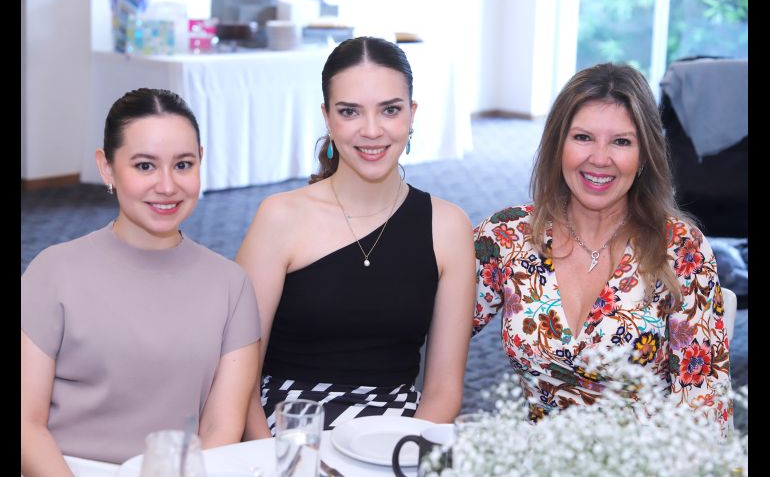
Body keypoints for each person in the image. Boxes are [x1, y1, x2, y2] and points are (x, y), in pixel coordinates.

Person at [472, 63, 731, 433]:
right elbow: (419, 322)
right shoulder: (507, 236)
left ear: (644, 156)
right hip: (536, 459)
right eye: (583, 137)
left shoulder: (681, 248)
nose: (599, 157)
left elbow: (704, 406)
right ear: (558, 144)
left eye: (621, 141)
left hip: (644, 465)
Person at [237, 36, 475, 437]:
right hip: (288, 430)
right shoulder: (280, 217)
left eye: (390, 110)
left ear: (411, 114)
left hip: (395, 434)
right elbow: (238, 378)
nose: (371, 130)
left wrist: (401, 454)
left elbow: (443, 392)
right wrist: (276, 462)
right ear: (327, 118)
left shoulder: (448, 227)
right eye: (350, 112)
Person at [21, 88, 262, 473]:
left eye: (183, 165)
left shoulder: (231, 285)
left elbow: (220, 428)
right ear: (107, 168)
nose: (167, 186)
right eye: (145, 166)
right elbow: (26, 425)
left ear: (201, 161)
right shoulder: (53, 271)